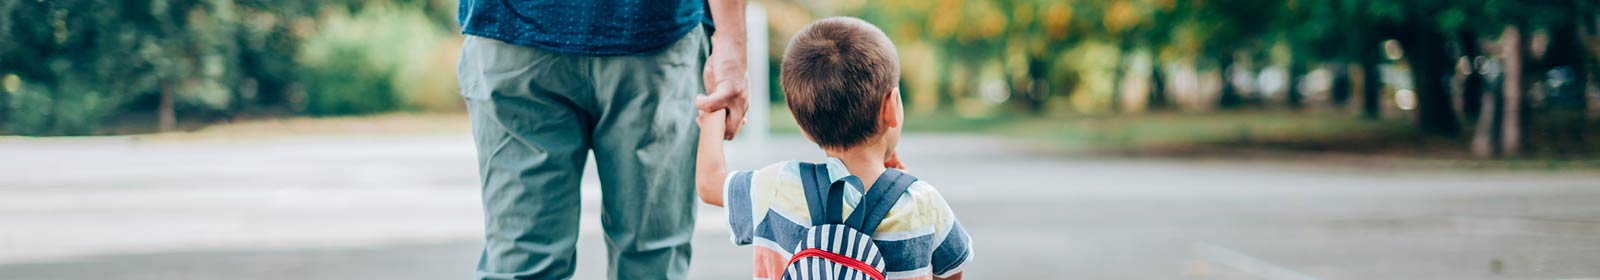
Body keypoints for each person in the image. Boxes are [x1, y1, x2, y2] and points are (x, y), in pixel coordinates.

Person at [454, 0, 750, 279]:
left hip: (519, 32)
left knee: (522, 263)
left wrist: (730, 44)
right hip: (650, 40)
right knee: (651, 262)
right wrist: (730, 43)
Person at [693, 17, 973, 280]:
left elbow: (708, 182)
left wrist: (716, 105)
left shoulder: (778, 186)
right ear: (892, 106)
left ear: (802, 125)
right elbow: (951, 273)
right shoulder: (925, 204)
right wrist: (905, 187)